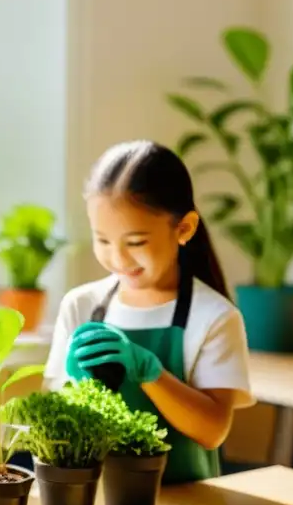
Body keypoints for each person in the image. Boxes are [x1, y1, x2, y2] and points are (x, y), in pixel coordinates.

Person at [44, 139, 254, 484]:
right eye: (103, 240)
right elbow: (57, 417)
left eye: (136, 242)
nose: (118, 258)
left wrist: (151, 373)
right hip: (96, 499)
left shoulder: (214, 317)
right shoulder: (81, 305)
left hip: (191, 502)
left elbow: (213, 430)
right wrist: (75, 387)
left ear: (184, 228)